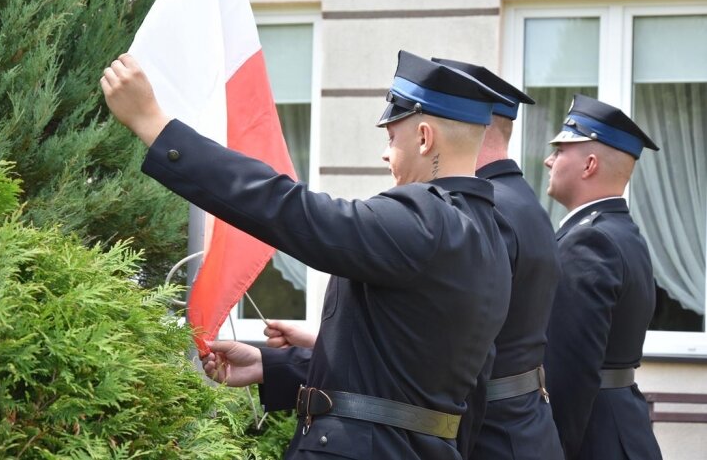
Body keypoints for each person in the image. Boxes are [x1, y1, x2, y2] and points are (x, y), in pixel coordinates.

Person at [101, 49, 513, 459]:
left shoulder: (423, 219)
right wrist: (277, 366)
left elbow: (288, 208)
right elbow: (426, 374)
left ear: (424, 138)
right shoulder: (492, 236)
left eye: (392, 138)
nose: (385, 154)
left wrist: (155, 125)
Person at [432, 59, 564, 460]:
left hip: (491, 435)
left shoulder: (485, 209)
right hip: (524, 427)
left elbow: (467, 346)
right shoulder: (522, 201)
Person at [542, 94, 663, 460]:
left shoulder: (590, 240)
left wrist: (552, 449)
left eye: (561, 149)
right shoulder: (620, 232)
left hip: (594, 437)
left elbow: (570, 373)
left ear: (589, 164)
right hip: (617, 425)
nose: (549, 159)